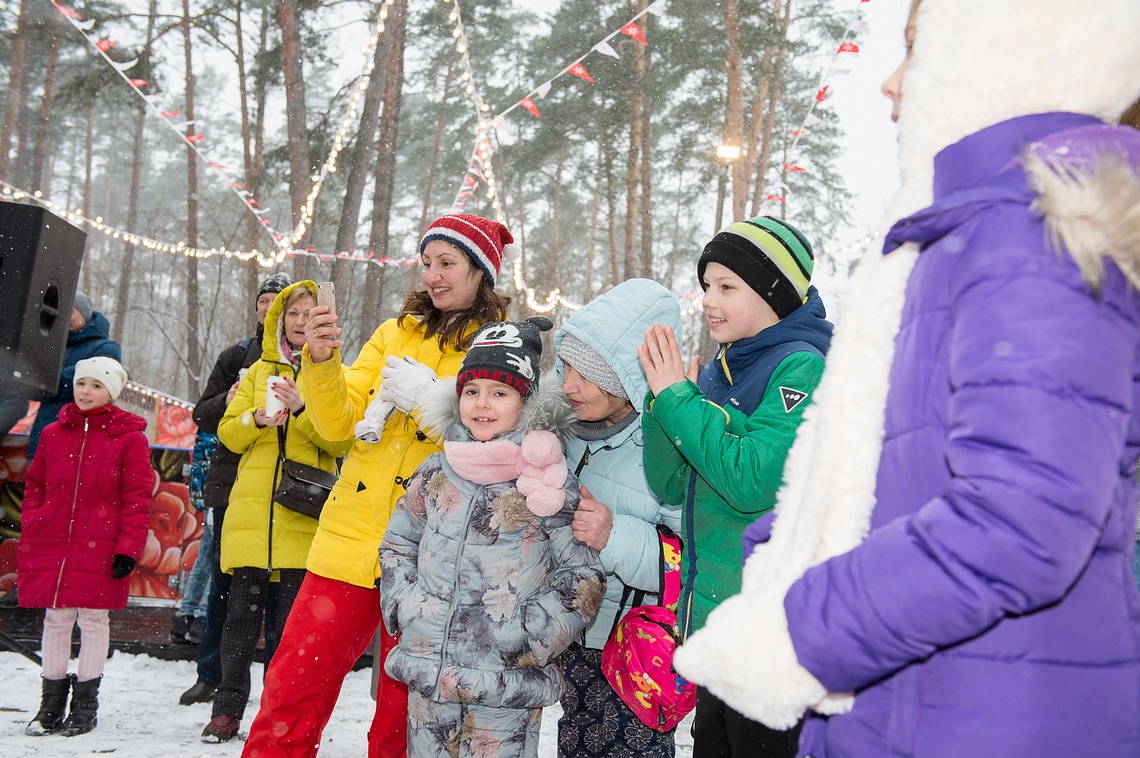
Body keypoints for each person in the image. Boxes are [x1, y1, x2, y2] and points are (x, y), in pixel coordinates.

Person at [672, 2, 1140, 756]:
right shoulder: (963, 236)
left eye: (915, 51)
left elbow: (1021, 522)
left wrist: (796, 629)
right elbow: (875, 477)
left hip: (986, 714)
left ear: (996, 50)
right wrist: (780, 564)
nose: (889, 85)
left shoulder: (1033, 233)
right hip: (920, 697)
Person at [240, 214, 514, 758]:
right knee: (291, 693)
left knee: (401, 723)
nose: (433, 276)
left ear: (481, 271)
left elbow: (498, 451)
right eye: (427, 262)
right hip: (350, 541)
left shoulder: (499, 346)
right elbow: (339, 426)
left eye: (448, 264)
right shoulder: (394, 332)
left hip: (433, 562)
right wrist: (321, 364)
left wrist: (434, 400)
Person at [638, 216, 832, 758]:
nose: (708, 300)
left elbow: (751, 481)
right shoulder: (724, 367)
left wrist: (679, 401)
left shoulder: (802, 368)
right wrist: (663, 406)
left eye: (727, 287)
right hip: (714, 617)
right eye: (705, 286)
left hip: (770, 625)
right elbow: (673, 485)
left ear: (773, 295)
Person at [380, 316, 605, 758]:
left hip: (506, 686)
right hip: (432, 678)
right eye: (471, 391)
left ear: (525, 403)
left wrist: (525, 635)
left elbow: (582, 577)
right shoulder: (435, 472)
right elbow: (397, 544)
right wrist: (409, 605)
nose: (482, 404)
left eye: (499, 393)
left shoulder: (546, 482)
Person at [201, 281, 352, 742]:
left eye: (310, 314)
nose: (301, 322)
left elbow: (341, 440)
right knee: (240, 623)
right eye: (293, 314)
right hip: (251, 515)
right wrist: (258, 420)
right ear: (279, 321)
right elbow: (227, 434)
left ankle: (277, 716)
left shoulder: (330, 375)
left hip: (301, 517)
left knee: (288, 631)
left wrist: (304, 409)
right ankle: (226, 710)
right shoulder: (255, 372)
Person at [551, 278, 684, 758]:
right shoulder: (556, 433)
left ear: (626, 379)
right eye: (565, 367)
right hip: (570, 642)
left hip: (634, 656)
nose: (568, 385)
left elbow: (689, 564)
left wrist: (614, 534)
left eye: (586, 373)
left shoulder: (666, 452)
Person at [18, 357, 151, 736]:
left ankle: (85, 705)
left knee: (93, 620)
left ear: (111, 391)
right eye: (81, 384)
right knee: (56, 618)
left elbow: (138, 498)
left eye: (95, 385)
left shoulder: (130, 438)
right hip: (54, 541)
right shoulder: (53, 434)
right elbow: (35, 484)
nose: (86, 392)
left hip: (102, 544)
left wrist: (128, 547)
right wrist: (35, 518)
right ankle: (51, 704)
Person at [178, 272, 291, 705]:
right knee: (225, 588)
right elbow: (201, 414)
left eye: (279, 301)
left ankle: (275, 694)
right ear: (258, 308)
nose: (271, 308)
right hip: (232, 484)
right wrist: (231, 399)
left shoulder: (314, 359)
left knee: (280, 600)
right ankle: (212, 676)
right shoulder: (236, 356)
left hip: (288, 493)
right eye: (265, 300)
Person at [26, 291, 121, 463]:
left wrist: (51, 382)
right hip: (42, 435)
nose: (66, 318)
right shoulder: (52, 345)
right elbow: (33, 384)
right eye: (62, 314)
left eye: (72, 312)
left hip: (84, 437)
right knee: (35, 487)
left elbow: (92, 384)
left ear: (84, 313)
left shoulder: (106, 348)